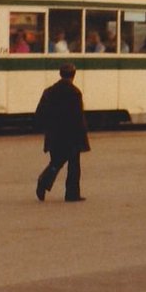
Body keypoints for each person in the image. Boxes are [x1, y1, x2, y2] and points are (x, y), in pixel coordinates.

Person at [34, 63, 91, 202]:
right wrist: (82, 136)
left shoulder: (49, 91)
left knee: (56, 162)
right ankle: (71, 193)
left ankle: (44, 182)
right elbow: (78, 117)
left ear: (60, 74)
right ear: (73, 75)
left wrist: (46, 128)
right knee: (73, 166)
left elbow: (40, 113)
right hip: (71, 136)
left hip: (54, 134)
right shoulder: (75, 93)